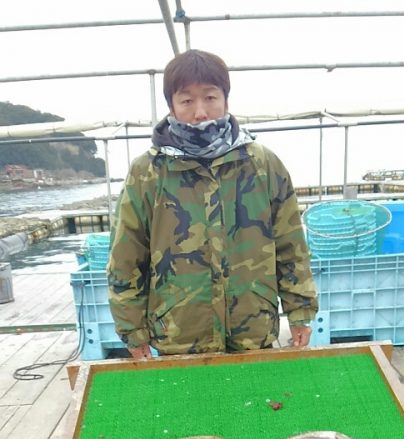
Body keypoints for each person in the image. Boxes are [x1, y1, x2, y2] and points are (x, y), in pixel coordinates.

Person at [107, 49, 318, 359]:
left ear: (226, 100)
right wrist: (132, 329)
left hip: (253, 329)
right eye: (187, 101)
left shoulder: (262, 164)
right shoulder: (148, 172)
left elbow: (291, 244)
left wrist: (300, 310)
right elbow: (126, 256)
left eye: (210, 97)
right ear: (171, 107)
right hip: (178, 335)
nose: (200, 112)